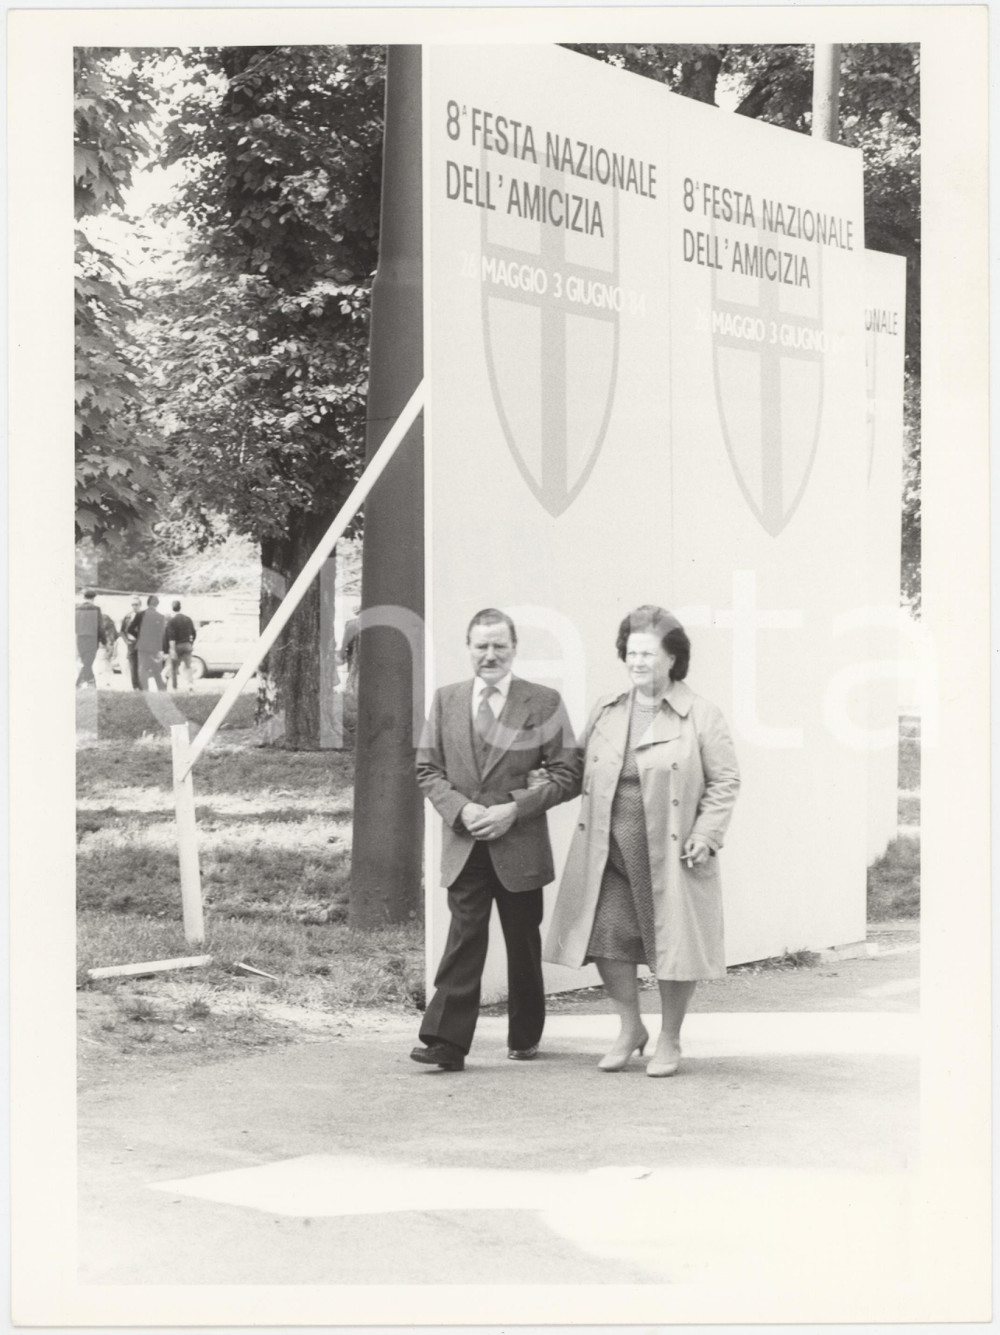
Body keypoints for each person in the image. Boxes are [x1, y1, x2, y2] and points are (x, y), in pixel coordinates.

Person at [543, 605, 740, 1077]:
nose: (637, 661)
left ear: (672, 658)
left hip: (671, 853)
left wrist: (706, 834)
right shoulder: (608, 711)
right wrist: (526, 790)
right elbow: (574, 772)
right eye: (631, 651)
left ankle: (670, 1039)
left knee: (673, 945)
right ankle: (630, 1029)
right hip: (607, 851)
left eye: (648, 652)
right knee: (608, 937)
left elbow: (725, 781)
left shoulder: (701, 715)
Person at [411, 608, 583, 1072]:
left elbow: (570, 774)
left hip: (519, 844)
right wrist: (460, 809)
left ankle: (524, 1034)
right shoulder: (447, 700)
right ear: (468, 648)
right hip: (464, 841)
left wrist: (514, 810)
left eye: (499, 646)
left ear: (514, 649)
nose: (490, 655)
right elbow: (427, 769)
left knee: (521, 941)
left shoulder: (542, 702)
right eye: (481, 646)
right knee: (464, 936)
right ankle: (446, 1041)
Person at [75, 589, 108, 688]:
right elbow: (100, 627)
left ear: (84, 597)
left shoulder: (77, 609)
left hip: (80, 639)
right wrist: (104, 641)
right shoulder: (96, 609)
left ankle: (91, 684)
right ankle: (78, 685)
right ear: (94, 598)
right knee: (88, 664)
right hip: (92, 639)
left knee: (86, 663)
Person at [163, 599, 198, 692]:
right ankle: (190, 685)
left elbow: (171, 638)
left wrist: (172, 650)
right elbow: (194, 633)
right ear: (180, 607)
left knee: (174, 668)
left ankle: (174, 687)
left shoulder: (171, 621)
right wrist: (191, 643)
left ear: (172, 608)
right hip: (187, 645)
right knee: (188, 666)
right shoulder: (188, 619)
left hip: (177, 646)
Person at [134, 595, 167, 691]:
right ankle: (161, 688)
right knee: (156, 669)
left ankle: (145, 689)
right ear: (157, 604)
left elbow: (131, 628)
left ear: (147, 603)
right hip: (155, 646)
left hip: (142, 645)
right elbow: (161, 634)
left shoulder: (140, 615)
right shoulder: (160, 617)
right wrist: (161, 649)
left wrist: (139, 636)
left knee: (143, 668)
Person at [120, 596, 143, 690]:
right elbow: (121, 631)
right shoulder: (127, 617)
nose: (134, 606)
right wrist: (126, 641)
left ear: (140, 605)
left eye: (136, 604)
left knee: (142, 665)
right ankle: (135, 687)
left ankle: (142, 686)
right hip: (131, 644)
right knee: (133, 666)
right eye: (133, 605)